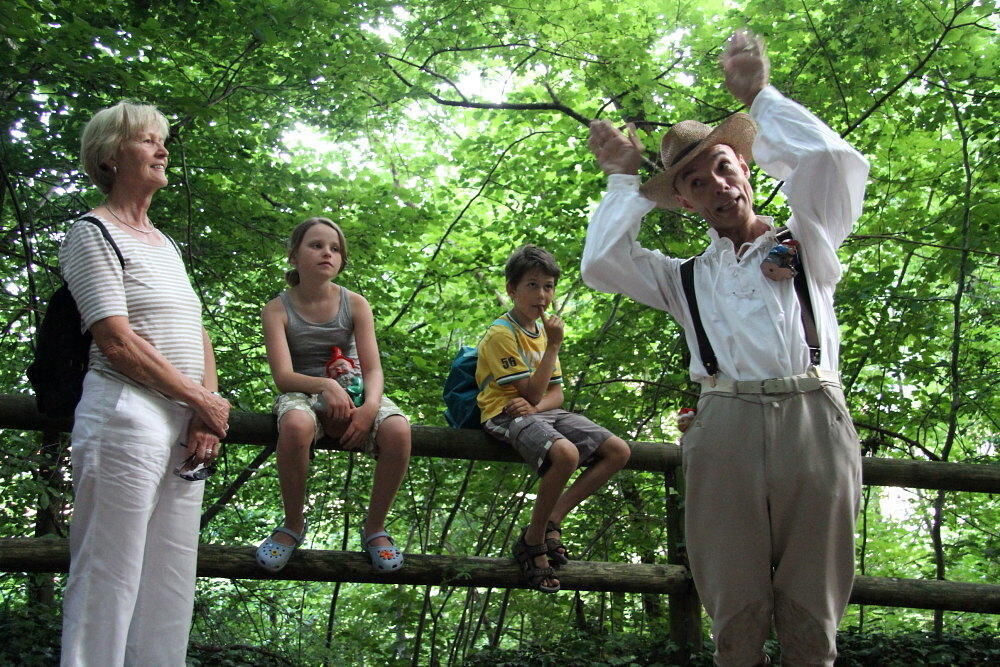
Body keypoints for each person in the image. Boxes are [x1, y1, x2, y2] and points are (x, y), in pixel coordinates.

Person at [582, 31, 868, 666]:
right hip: (725, 424)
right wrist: (625, 182)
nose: (715, 183)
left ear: (746, 169)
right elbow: (601, 261)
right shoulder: (682, 278)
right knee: (733, 609)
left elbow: (833, 160)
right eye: (695, 180)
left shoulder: (812, 236)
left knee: (813, 611)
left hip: (814, 419)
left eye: (722, 166)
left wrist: (760, 97)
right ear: (684, 201)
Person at [59, 101, 231, 666]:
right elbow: (116, 340)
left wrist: (206, 411)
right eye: (147, 141)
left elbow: (196, 329)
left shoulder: (165, 244)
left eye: (163, 141)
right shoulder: (92, 233)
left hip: (183, 421)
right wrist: (199, 398)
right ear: (110, 157)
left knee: (171, 578)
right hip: (124, 414)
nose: (162, 150)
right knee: (109, 572)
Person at [257, 217, 411, 572]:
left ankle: (375, 528)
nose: (327, 252)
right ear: (294, 257)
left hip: (355, 387)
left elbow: (372, 369)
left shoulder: (355, 304)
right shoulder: (277, 309)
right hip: (304, 389)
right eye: (316, 245)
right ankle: (293, 524)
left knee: (399, 430)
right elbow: (283, 376)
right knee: (294, 425)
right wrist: (326, 385)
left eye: (335, 248)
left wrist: (370, 407)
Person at [476, 244, 631, 593]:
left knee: (618, 451)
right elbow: (529, 393)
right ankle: (533, 544)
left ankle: (550, 522)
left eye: (548, 286)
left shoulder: (544, 332)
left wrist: (536, 404)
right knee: (566, 454)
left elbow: (555, 395)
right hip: (502, 413)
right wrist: (553, 348)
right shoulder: (502, 334)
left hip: (539, 410)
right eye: (532, 285)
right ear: (512, 289)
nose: (542, 295)